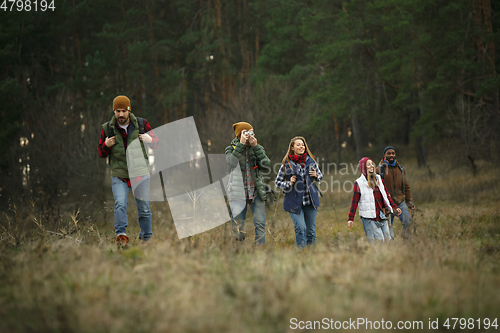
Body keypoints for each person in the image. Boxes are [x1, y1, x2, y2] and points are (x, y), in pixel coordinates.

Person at [98, 95, 158, 245]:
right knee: (120, 203)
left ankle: (146, 238)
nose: (121, 114)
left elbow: (157, 143)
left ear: (128, 110)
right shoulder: (107, 129)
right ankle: (121, 235)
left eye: (123, 111)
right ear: (114, 112)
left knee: (143, 208)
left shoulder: (142, 124)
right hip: (119, 175)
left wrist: (150, 140)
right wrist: (106, 145)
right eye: (117, 111)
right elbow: (100, 153)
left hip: (140, 173)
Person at [225, 122, 271, 244]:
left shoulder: (257, 147)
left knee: (260, 223)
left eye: (252, 132)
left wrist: (255, 147)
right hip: (237, 193)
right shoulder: (231, 149)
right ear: (240, 134)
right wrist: (240, 145)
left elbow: (266, 166)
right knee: (238, 225)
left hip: (256, 192)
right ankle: (239, 253)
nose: (251, 135)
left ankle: (260, 252)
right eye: (247, 132)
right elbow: (231, 163)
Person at [275, 136, 322, 248]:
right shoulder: (286, 164)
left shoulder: (311, 161)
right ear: (292, 148)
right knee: (301, 229)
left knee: (310, 231)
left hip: (310, 201)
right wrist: (289, 183)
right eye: (298, 145)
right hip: (294, 202)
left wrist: (316, 175)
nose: (301, 146)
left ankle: (312, 256)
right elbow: (277, 182)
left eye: (303, 145)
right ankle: (302, 256)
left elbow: (320, 175)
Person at [347, 157, 401, 243]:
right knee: (379, 240)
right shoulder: (359, 183)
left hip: (381, 214)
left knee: (388, 239)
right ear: (364, 167)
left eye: (372, 163)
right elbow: (354, 202)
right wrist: (351, 218)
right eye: (368, 164)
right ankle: (374, 255)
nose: (372, 166)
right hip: (369, 217)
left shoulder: (378, 178)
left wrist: (394, 207)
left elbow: (386, 195)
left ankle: (386, 256)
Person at [376, 146, 415, 239]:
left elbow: (406, 186)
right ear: (384, 155)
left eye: (393, 153)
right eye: (388, 153)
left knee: (407, 222)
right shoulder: (379, 170)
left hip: (400, 202)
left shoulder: (401, 169)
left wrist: (409, 202)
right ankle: (391, 247)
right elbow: (375, 188)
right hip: (387, 204)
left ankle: (406, 242)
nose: (391, 155)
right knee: (388, 227)